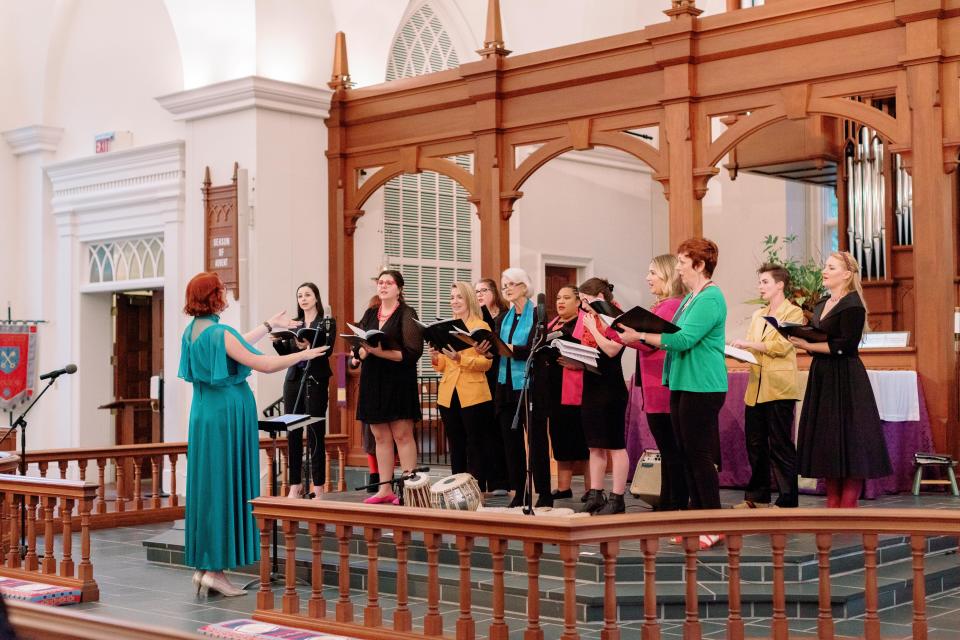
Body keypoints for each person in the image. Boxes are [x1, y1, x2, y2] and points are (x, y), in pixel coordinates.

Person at [178, 272, 327, 596]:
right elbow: (263, 364)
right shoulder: (220, 331)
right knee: (224, 487)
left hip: (204, 415)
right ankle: (216, 571)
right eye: (222, 289)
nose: (226, 292)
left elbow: (237, 343)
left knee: (209, 486)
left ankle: (205, 566)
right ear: (213, 296)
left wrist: (269, 326)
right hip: (227, 415)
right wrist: (302, 354)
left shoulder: (193, 332)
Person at [622, 238, 726, 547]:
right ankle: (694, 521)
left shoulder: (710, 297)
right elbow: (671, 333)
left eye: (682, 262)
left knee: (700, 456)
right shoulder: (691, 298)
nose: (678, 267)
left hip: (703, 386)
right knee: (684, 454)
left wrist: (640, 333)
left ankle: (715, 523)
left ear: (699, 265)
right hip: (682, 383)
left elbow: (682, 339)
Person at [789, 251, 892, 508]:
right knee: (828, 439)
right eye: (825, 266)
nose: (824, 270)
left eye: (831, 267)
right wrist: (802, 338)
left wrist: (805, 344)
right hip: (823, 375)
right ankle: (832, 502)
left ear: (846, 274)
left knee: (850, 438)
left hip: (845, 376)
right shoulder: (822, 303)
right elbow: (820, 337)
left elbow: (844, 346)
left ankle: (848, 505)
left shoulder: (853, 305)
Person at [729, 263, 803, 509]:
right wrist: (739, 351)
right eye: (760, 282)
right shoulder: (759, 314)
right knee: (755, 444)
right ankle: (757, 496)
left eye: (765, 282)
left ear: (780, 285)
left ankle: (787, 498)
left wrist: (749, 344)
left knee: (780, 445)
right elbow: (755, 347)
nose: (760, 287)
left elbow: (782, 346)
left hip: (779, 387)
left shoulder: (793, 313)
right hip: (756, 387)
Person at [621, 255, 687, 511]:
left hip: (661, 385)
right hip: (654, 384)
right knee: (667, 449)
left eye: (653, 273)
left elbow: (653, 344)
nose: (648, 278)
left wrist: (629, 336)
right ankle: (668, 500)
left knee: (670, 450)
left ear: (668, 275)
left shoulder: (671, 306)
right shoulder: (661, 305)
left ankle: (673, 502)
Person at [352, 270, 423, 505]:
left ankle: (409, 489)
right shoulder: (371, 313)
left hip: (398, 380)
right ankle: (385, 489)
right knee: (380, 437)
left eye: (388, 283)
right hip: (373, 380)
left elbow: (412, 353)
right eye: (380, 282)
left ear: (399, 288)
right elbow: (360, 342)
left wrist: (378, 352)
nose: (383, 286)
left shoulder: (406, 313)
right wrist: (359, 353)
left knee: (402, 435)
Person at [491, 267, 551, 508]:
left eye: (511, 284)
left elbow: (536, 347)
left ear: (524, 287)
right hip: (506, 386)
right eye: (503, 285)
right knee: (511, 442)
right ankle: (520, 493)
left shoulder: (538, 314)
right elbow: (497, 347)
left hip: (530, 385)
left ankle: (544, 493)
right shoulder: (501, 319)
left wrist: (510, 348)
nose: (506, 289)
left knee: (536, 442)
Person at [272, 282, 335, 500]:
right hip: (294, 381)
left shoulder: (326, 322)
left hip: (315, 379)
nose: (303, 299)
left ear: (316, 298)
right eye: (300, 295)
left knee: (316, 431)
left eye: (307, 294)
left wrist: (307, 347)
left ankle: (318, 486)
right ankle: (295, 485)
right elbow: (285, 354)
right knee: (293, 432)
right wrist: (278, 342)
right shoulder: (294, 324)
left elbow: (328, 350)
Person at [429, 282, 493, 485]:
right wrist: (435, 357)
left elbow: (487, 363)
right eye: (452, 297)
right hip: (448, 393)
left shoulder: (480, 326)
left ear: (469, 300)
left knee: (475, 444)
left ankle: (476, 487)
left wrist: (461, 359)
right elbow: (442, 366)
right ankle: (456, 488)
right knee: (455, 444)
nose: (454, 302)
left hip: (474, 393)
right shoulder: (447, 327)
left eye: (459, 297)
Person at [576, 278, 629, 515]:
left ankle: (617, 498)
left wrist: (594, 329)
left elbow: (611, 350)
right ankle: (596, 493)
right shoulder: (590, 319)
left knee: (615, 445)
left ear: (599, 297)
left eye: (585, 301)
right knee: (594, 445)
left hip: (611, 388)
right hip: (592, 385)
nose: (583, 307)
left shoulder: (618, 318)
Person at [544, 285, 590, 500]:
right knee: (560, 439)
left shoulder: (585, 322)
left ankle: (592, 490)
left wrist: (577, 361)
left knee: (584, 442)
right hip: (554, 389)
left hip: (578, 388)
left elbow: (591, 352)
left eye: (566, 298)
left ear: (578, 301)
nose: (560, 301)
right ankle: (564, 488)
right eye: (558, 297)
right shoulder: (552, 323)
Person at [475, 278, 510, 495]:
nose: (479, 294)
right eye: (476, 291)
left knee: (501, 431)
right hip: (484, 375)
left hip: (503, 375)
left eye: (484, 290)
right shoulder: (477, 318)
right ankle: (487, 480)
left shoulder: (505, 316)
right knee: (485, 431)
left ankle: (503, 481)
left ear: (495, 292)